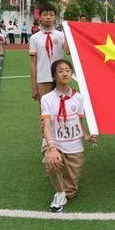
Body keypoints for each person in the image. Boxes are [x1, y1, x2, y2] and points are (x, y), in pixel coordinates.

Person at [41, 59, 96, 212]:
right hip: (55, 142)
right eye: (60, 71)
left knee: (71, 191)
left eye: (67, 70)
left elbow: (78, 121)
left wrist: (86, 136)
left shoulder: (79, 98)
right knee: (51, 160)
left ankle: (64, 187)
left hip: (74, 145)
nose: (65, 73)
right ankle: (59, 192)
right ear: (54, 76)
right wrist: (51, 147)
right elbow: (46, 125)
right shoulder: (47, 98)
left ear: (72, 74)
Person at [30, 3, 69, 102]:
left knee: (61, 108)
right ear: (40, 17)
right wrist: (34, 86)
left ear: (55, 18)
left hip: (60, 78)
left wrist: (67, 32)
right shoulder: (34, 38)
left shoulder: (61, 35)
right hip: (43, 79)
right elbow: (33, 63)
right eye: (45, 15)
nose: (48, 17)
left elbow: (68, 51)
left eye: (51, 15)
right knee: (45, 111)